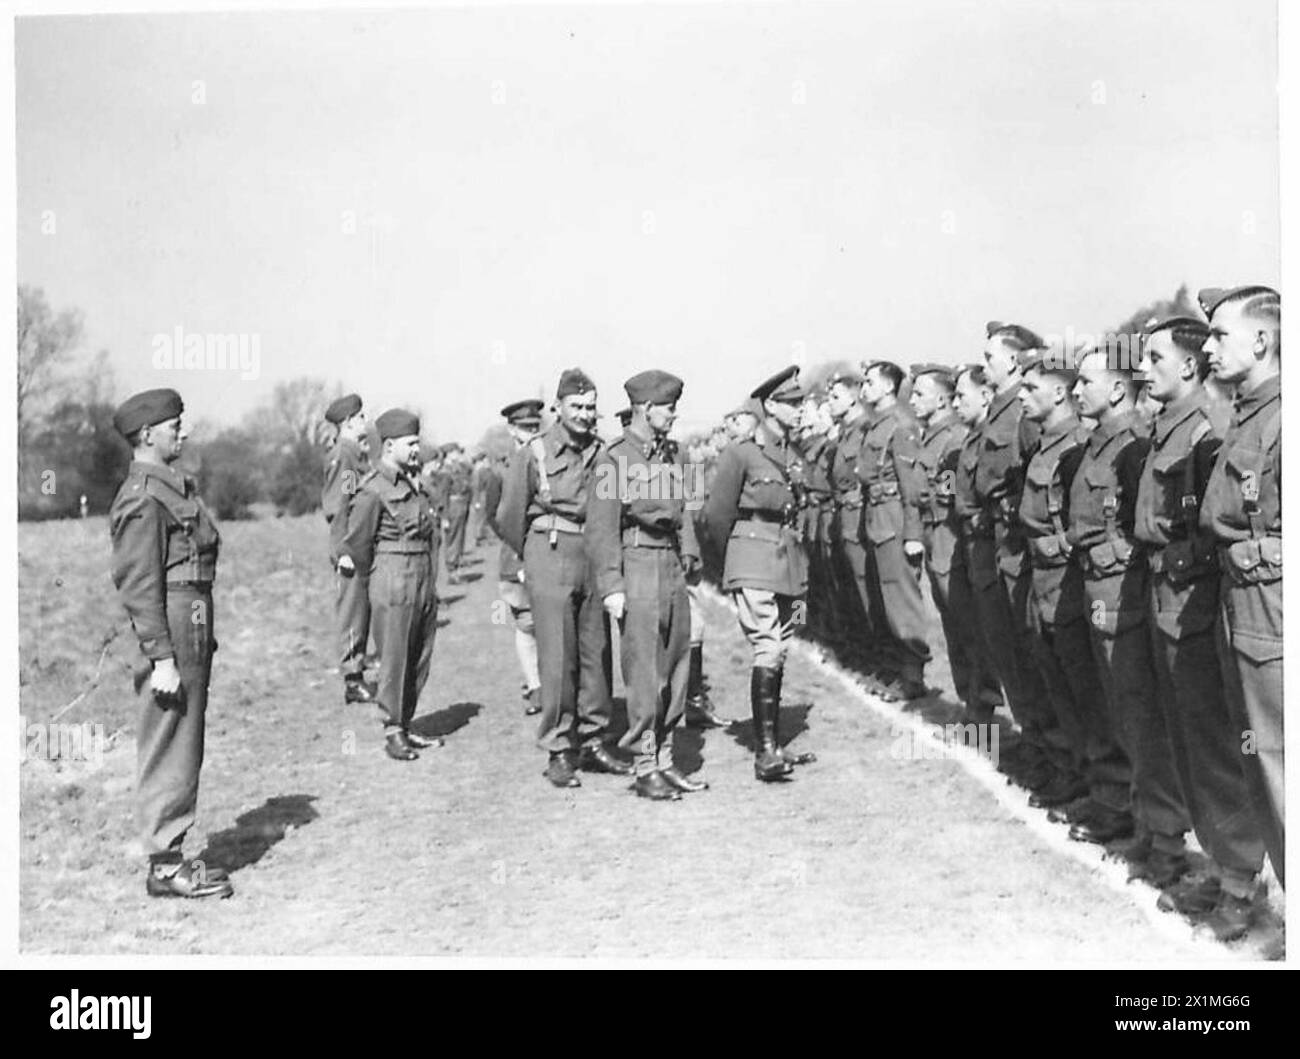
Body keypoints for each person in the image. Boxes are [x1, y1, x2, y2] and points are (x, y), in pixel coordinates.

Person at [1133, 313, 1266, 937]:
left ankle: (1240, 880)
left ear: (1185, 366)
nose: (1141, 368)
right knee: (1191, 737)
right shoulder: (1184, 424)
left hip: (1203, 597)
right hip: (1171, 591)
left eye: (1153, 358)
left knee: (1218, 744)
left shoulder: (1209, 421)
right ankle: (1221, 866)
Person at [109, 388, 232, 898]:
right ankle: (163, 864)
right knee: (169, 738)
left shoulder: (173, 488)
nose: (183, 432)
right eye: (174, 425)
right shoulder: (144, 496)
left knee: (186, 738)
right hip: (171, 622)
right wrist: (161, 657)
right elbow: (139, 585)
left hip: (191, 615)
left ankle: (172, 850)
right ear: (146, 435)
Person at [1069, 347, 1190, 856]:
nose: (1076, 391)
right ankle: (1136, 815)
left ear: (1116, 390)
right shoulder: (1099, 443)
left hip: (1124, 591)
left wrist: (1115, 558)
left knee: (1140, 712)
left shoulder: (1133, 445)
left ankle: (1163, 836)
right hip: (1102, 587)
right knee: (1122, 707)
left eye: (1084, 383)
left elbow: (1143, 524)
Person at [1197, 284, 1283, 934]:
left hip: (1272, 615)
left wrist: (1256, 557)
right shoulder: (1246, 413)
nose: (1207, 345)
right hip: (1241, 608)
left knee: (1282, 768)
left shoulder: (1284, 417)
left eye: (1220, 333)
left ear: (1262, 339)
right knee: (1257, 760)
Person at [497, 368, 628, 788]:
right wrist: (533, 557)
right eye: (577, 407)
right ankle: (558, 747)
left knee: (597, 651)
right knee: (556, 655)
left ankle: (594, 739)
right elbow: (508, 516)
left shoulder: (603, 452)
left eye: (591, 408)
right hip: (550, 553)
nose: (586, 415)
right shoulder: (533, 453)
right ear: (558, 407)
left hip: (594, 552)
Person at [589, 370, 704, 800]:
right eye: (669, 407)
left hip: (671, 563)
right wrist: (611, 585)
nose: (674, 415)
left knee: (677, 664)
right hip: (636, 562)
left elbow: (689, 507)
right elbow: (601, 529)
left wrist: (691, 556)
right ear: (646, 409)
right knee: (643, 671)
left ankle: (666, 761)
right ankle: (644, 763)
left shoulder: (677, 454)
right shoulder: (614, 458)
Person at [703, 365, 816, 781]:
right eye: (792, 403)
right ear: (770, 406)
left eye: (800, 402)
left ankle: (773, 744)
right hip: (753, 554)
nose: (800, 409)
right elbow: (717, 515)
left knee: (780, 644)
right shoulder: (742, 453)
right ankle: (765, 751)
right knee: (768, 645)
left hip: (785, 556)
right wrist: (732, 559)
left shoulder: (791, 453)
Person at [1015, 352, 1106, 813]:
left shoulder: (1076, 444)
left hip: (1065, 581)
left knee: (1083, 687)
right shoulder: (1045, 442)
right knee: (1055, 680)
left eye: (1031, 388)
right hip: (1040, 578)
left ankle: (1100, 784)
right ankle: (1073, 769)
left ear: (1057, 392)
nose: (1022, 396)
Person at [971, 322, 1054, 788]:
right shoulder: (1000, 411)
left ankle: (1048, 749)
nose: (985, 366)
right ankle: (1036, 741)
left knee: (1030, 654)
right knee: (1012, 652)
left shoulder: (1019, 415)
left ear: (1014, 360)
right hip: (1002, 543)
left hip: (1019, 547)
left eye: (990, 357)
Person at [339, 409, 442, 761]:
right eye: (411, 444)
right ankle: (392, 729)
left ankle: (408, 724)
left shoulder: (415, 484)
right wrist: (383, 577)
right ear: (390, 445)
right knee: (394, 657)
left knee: (418, 656)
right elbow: (356, 545)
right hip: (393, 577)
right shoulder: (372, 489)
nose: (417, 449)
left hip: (423, 575)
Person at [907, 363, 997, 715]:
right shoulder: (930, 437)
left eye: (920, 394)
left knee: (968, 627)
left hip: (950, 537)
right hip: (934, 537)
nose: (912, 400)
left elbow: (956, 497)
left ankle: (981, 708)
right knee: (953, 628)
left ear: (942, 399)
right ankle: (970, 703)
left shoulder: (954, 439)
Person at [856, 360, 929, 700]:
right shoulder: (877, 426)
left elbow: (911, 486)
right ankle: (897, 671)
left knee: (902, 601)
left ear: (887, 387)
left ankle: (912, 676)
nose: (864, 388)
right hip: (877, 518)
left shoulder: (901, 426)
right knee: (885, 600)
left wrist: (913, 535)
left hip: (895, 520)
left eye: (869, 382)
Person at [486, 399, 545, 715]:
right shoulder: (500, 470)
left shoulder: (548, 458)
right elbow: (496, 518)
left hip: (549, 555)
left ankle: (549, 683)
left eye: (536, 427)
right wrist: (521, 549)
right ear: (512, 430)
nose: (532, 434)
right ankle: (535, 686)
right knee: (526, 623)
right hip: (517, 557)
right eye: (525, 428)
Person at [321, 393, 375, 705]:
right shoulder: (343, 454)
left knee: (362, 610)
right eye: (361, 418)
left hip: (361, 542)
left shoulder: (355, 453)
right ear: (348, 423)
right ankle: (352, 680)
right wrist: (342, 550)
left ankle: (359, 671)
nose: (365, 423)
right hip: (351, 546)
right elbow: (337, 506)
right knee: (352, 612)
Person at [441, 443, 473, 583]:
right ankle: (452, 571)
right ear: (449, 454)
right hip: (452, 506)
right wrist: (445, 517)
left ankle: (456, 567)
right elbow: (443, 495)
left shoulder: (457, 468)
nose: (458, 455)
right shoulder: (445, 471)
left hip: (461, 505)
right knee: (453, 539)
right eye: (455, 452)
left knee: (459, 537)